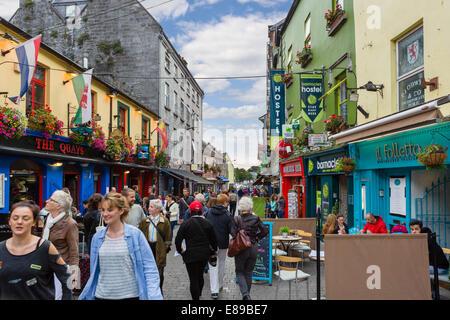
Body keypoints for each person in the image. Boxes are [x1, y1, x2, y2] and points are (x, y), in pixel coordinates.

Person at [78, 192, 163, 300]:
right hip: (101, 295)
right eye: (102, 210)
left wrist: (154, 296)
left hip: (130, 295)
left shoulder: (135, 235)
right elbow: (95, 271)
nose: (104, 214)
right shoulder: (97, 238)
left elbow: (149, 268)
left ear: (121, 211)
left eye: (109, 210)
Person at [0, 201, 72, 300]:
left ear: (34, 222)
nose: (19, 222)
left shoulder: (45, 247)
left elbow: (67, 278)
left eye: (25, 218)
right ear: (9, 221)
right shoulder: (1, 248)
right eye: (15, 218)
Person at [175, 201, 218, 300]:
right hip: (204, 254)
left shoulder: (186, 224)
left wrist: (180, 251)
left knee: (193, 278)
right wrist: (214, 250)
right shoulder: (208, 223)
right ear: (201, 211)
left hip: (190, 255)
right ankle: (199, 293)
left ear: (190, 211)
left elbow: (178, 240)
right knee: (200, 275)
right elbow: (214, 240)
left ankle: (196, 297)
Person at [43, 190, 79, 299]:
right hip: (45, 266)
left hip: (61, 268)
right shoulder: (48, 220)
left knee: (58, 297)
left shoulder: (70, 224)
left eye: (51, 200)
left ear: (59, 206)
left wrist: (73, 277)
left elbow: (74, 252)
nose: (47, 201)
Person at [231, 197, 269, 300]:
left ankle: (245, 294)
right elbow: (265, 231)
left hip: (241, 248)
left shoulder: (236, 219)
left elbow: (233, 234)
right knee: (248, 271)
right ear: (250, 207)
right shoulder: (256, 218)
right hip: (253, 247)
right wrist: (257, 238)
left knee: (239, 271)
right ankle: (247, 294)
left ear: (240, 207)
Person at [138, 199, 172, 296]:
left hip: (159, 249)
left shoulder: (164, 221)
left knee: (159, 272)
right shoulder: (145, 221)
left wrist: (165, 248)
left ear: (157, 209)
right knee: (147, 271)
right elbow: (140, 234)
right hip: (147, 248)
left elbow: (168, 237)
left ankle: (159, 290)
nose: (148, 208)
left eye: (151, 207)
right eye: (149, 206)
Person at [206, 194, 233, 299]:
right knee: (221, 263)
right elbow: (231, 230)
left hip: (211, 244)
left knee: (212, 265)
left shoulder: (208, 213)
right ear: (224, 203)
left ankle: (214, 290)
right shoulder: (227, 215)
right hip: (222, 243)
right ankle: (220, 284)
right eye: (227, 202)